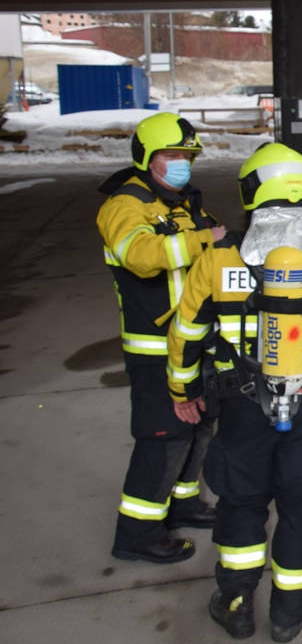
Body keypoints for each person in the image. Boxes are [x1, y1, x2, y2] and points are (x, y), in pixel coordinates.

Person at [167, 143, 302, 641]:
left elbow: (187, 334)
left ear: (252, 190)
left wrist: (183, 390)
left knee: (241, 502)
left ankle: (237, 603)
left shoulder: (218, 258)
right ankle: (290, 612)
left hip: (240, 404)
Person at [96, 112, 226, 564]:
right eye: (173, 155)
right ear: (148, 158)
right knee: (163, 436)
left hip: (194, 342)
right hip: (155, 347)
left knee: (199, 427)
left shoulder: (185, 202)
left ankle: (183, 502)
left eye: (187, 155)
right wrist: (203, 239)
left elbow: (213, 245)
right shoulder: (124, 205)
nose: (182, 163)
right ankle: (138, 531)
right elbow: (141, 256)